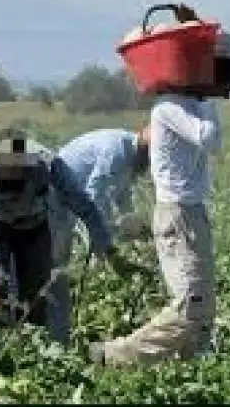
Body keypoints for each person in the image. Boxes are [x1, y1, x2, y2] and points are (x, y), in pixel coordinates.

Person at [89, 17, 230, 365]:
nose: (229, 81)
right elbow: (211, 139)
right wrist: (209, 98)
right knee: (191, 304)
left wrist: (207, 31)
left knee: (203, 306)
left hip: (191, 212)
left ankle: (195, 369)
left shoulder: (187, 104)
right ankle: (116, 356)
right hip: (178, 214)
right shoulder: (170, 107)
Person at [0, 126, 132, 331]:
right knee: (0, 285)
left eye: (17, 170)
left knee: (36, 295)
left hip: (34, 225)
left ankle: (33, 342)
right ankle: (1, 335)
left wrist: (108, 249)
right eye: (5, 171)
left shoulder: (47, 164)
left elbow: (83, 204)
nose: (12, 178)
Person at [47, 125, 152, 345]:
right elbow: (94, 194)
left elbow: (123, 197)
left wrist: (133, 226)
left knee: (72, 257)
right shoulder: (116, 151)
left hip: (75, 196)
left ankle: (70, 310)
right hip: (57, 193)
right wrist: (105, 234)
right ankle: (52, 323)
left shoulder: (130, 160)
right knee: (57, 260)